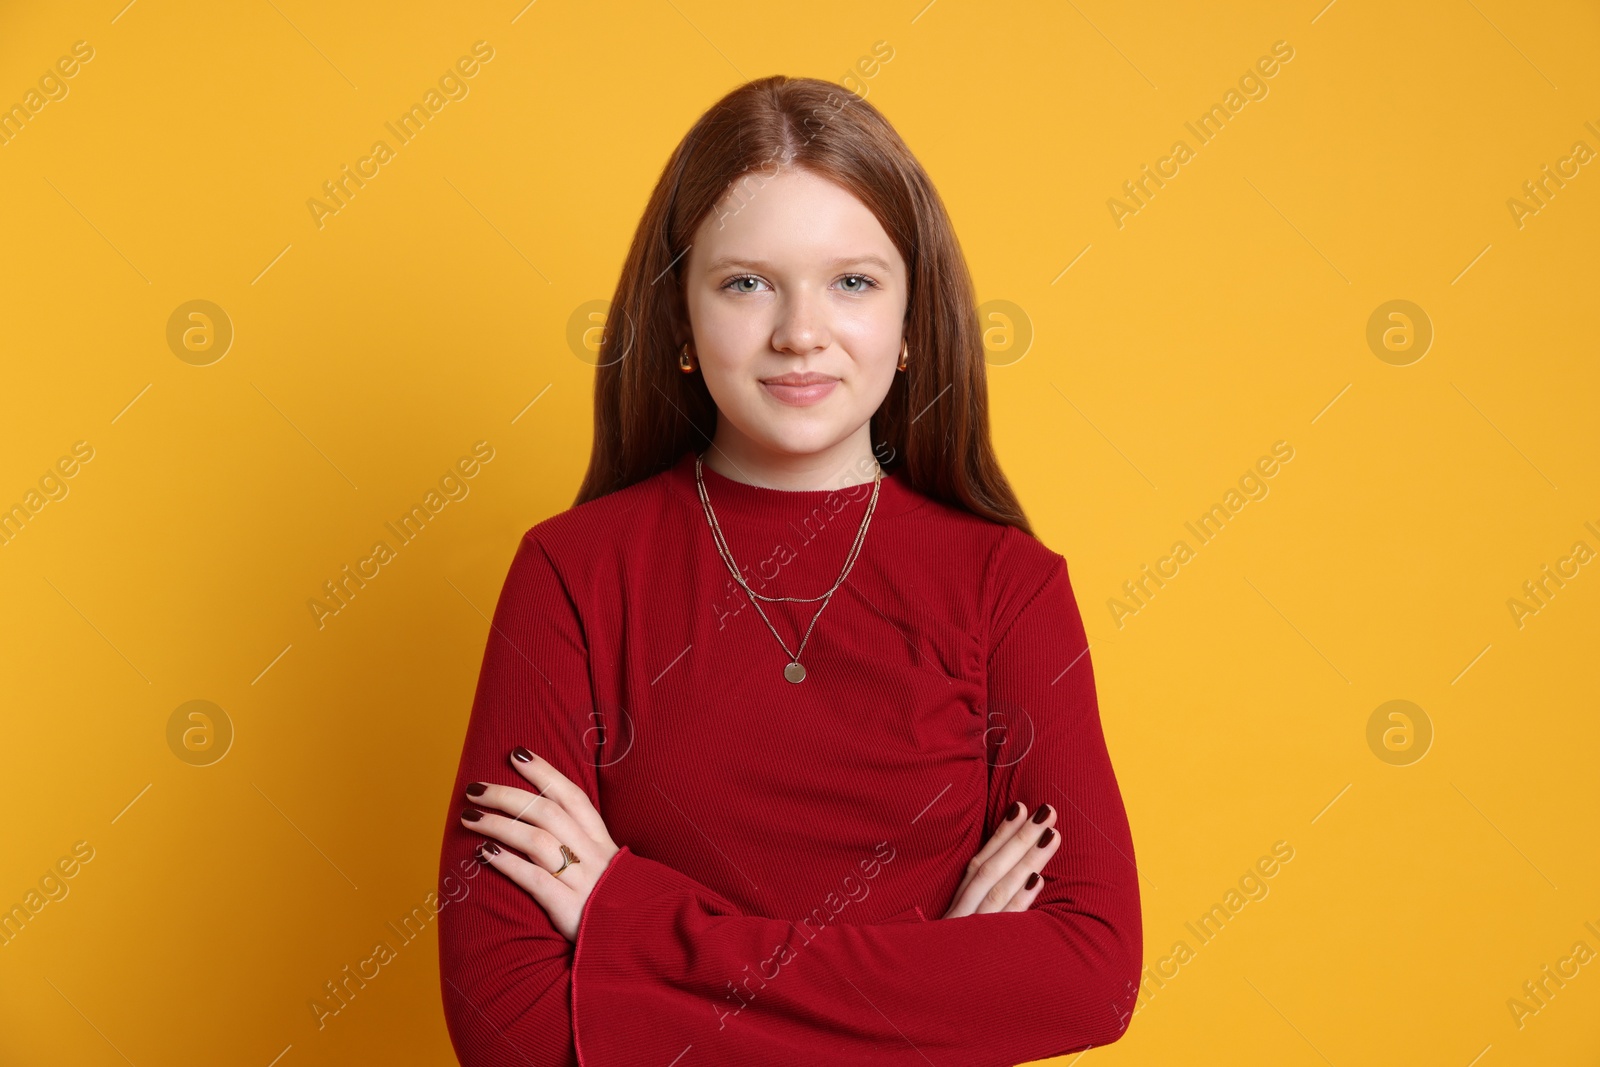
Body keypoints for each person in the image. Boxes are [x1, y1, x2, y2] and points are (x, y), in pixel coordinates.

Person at [437, 74, 1142, 1066]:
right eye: (745, 282)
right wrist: (937, 974)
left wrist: (631, 918)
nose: (798, 331)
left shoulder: (1007, 587)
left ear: (910, 323)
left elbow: (1088, 974)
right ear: (679, 319)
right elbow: (506, 1026)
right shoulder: (571, 572)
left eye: (852, 281)